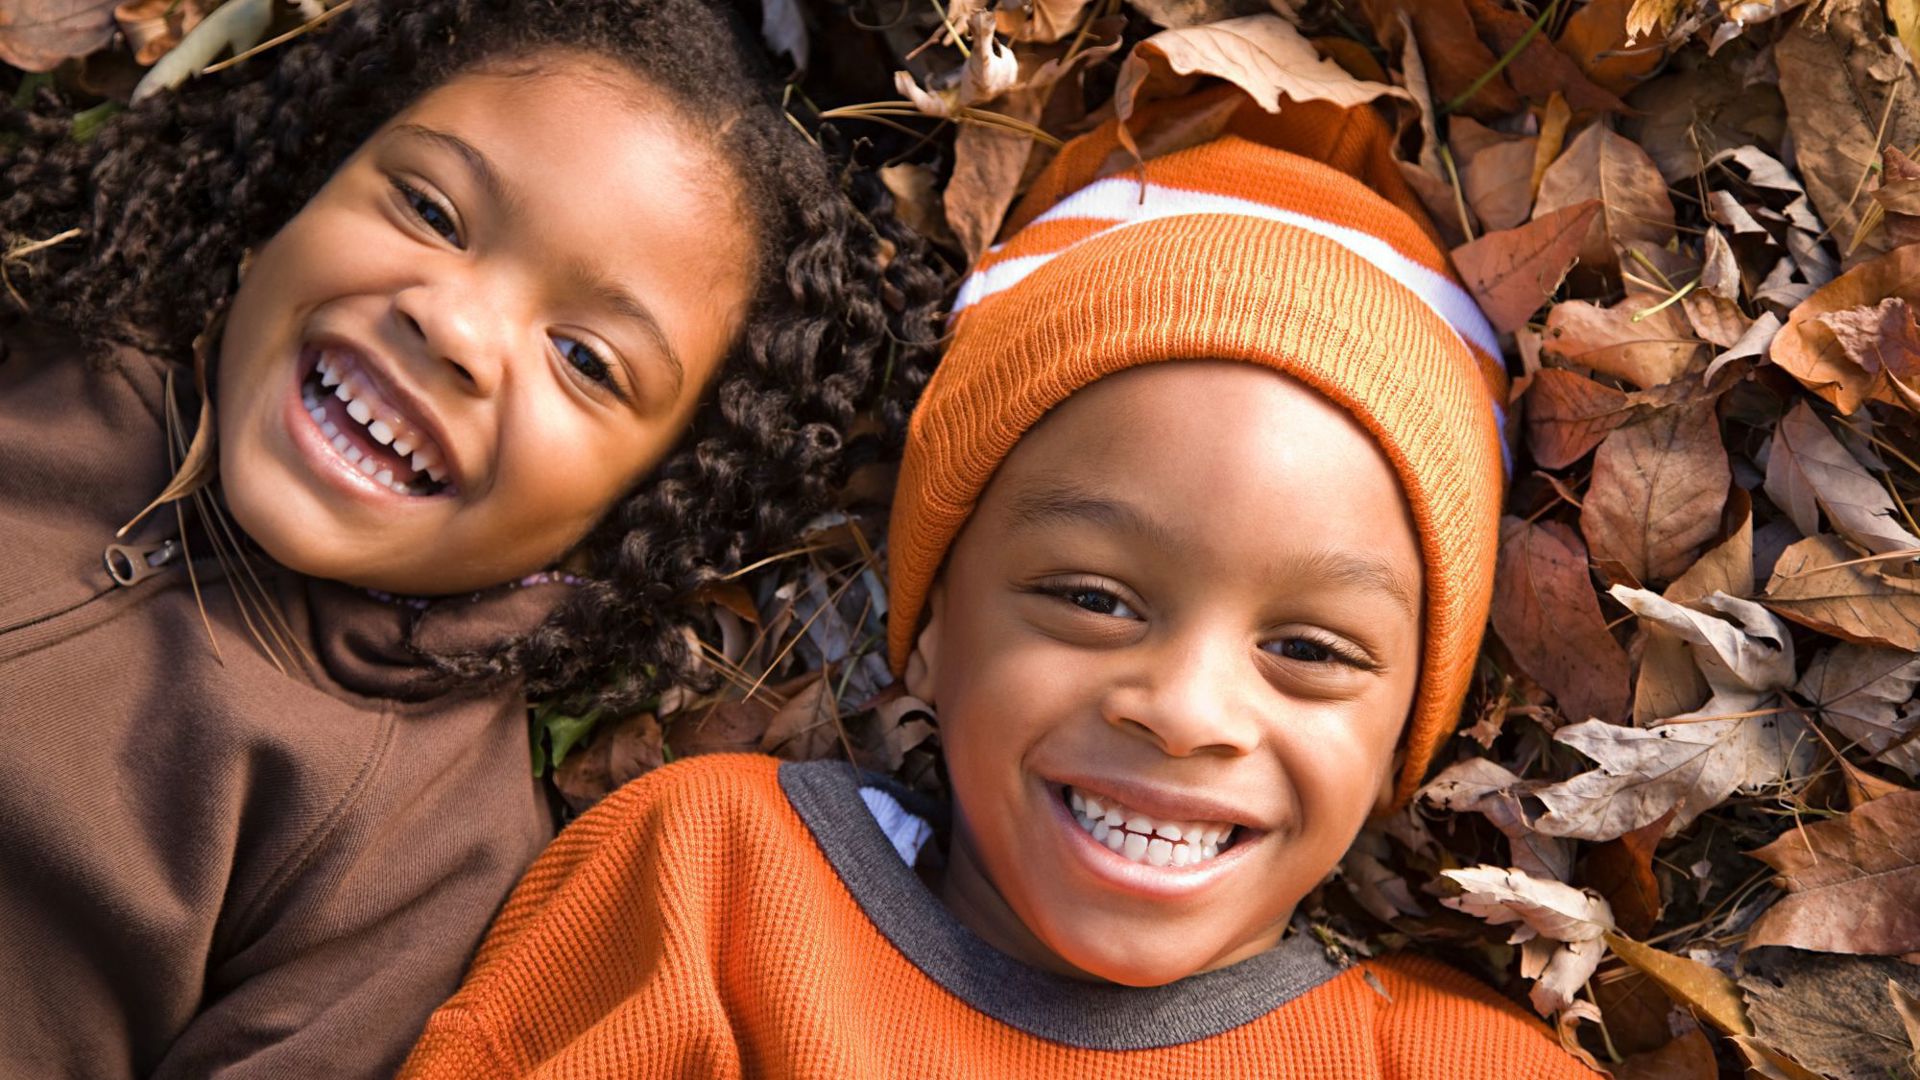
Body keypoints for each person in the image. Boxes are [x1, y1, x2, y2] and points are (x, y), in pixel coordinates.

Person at [395, 87, 1598, 1078]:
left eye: (1313, 650)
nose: (1182, 713)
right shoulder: (717, 893)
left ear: (1408, 740)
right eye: (1091, 599)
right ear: (927, 633)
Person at [0, 0, 938, 1074]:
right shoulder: (45, 324)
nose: (452, 328)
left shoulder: (419, 846)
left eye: (586, 360)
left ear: (640, 504)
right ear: (316, 167)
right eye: (433, 211)